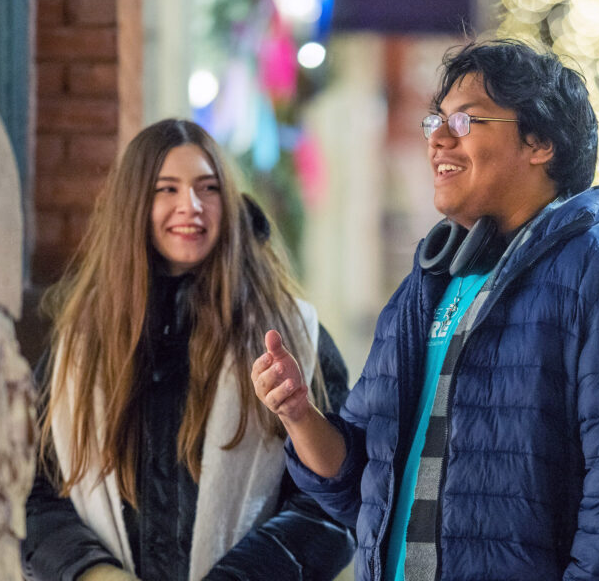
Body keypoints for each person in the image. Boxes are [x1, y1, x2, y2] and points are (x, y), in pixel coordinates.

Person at [252, 39, 599, 580]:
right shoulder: (426, 286)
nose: (438, 141)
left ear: (540, 140)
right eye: (436, 123)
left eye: (466, 121)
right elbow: (364, 495)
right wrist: (299, 414)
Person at [20, 118, 355, 581]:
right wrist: (92, 571)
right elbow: (31, 489)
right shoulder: (82, 342)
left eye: (207, 187)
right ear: (134, 205)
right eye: (166, 189)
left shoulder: (290, 334)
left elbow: (333, 504)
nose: (190, 206)